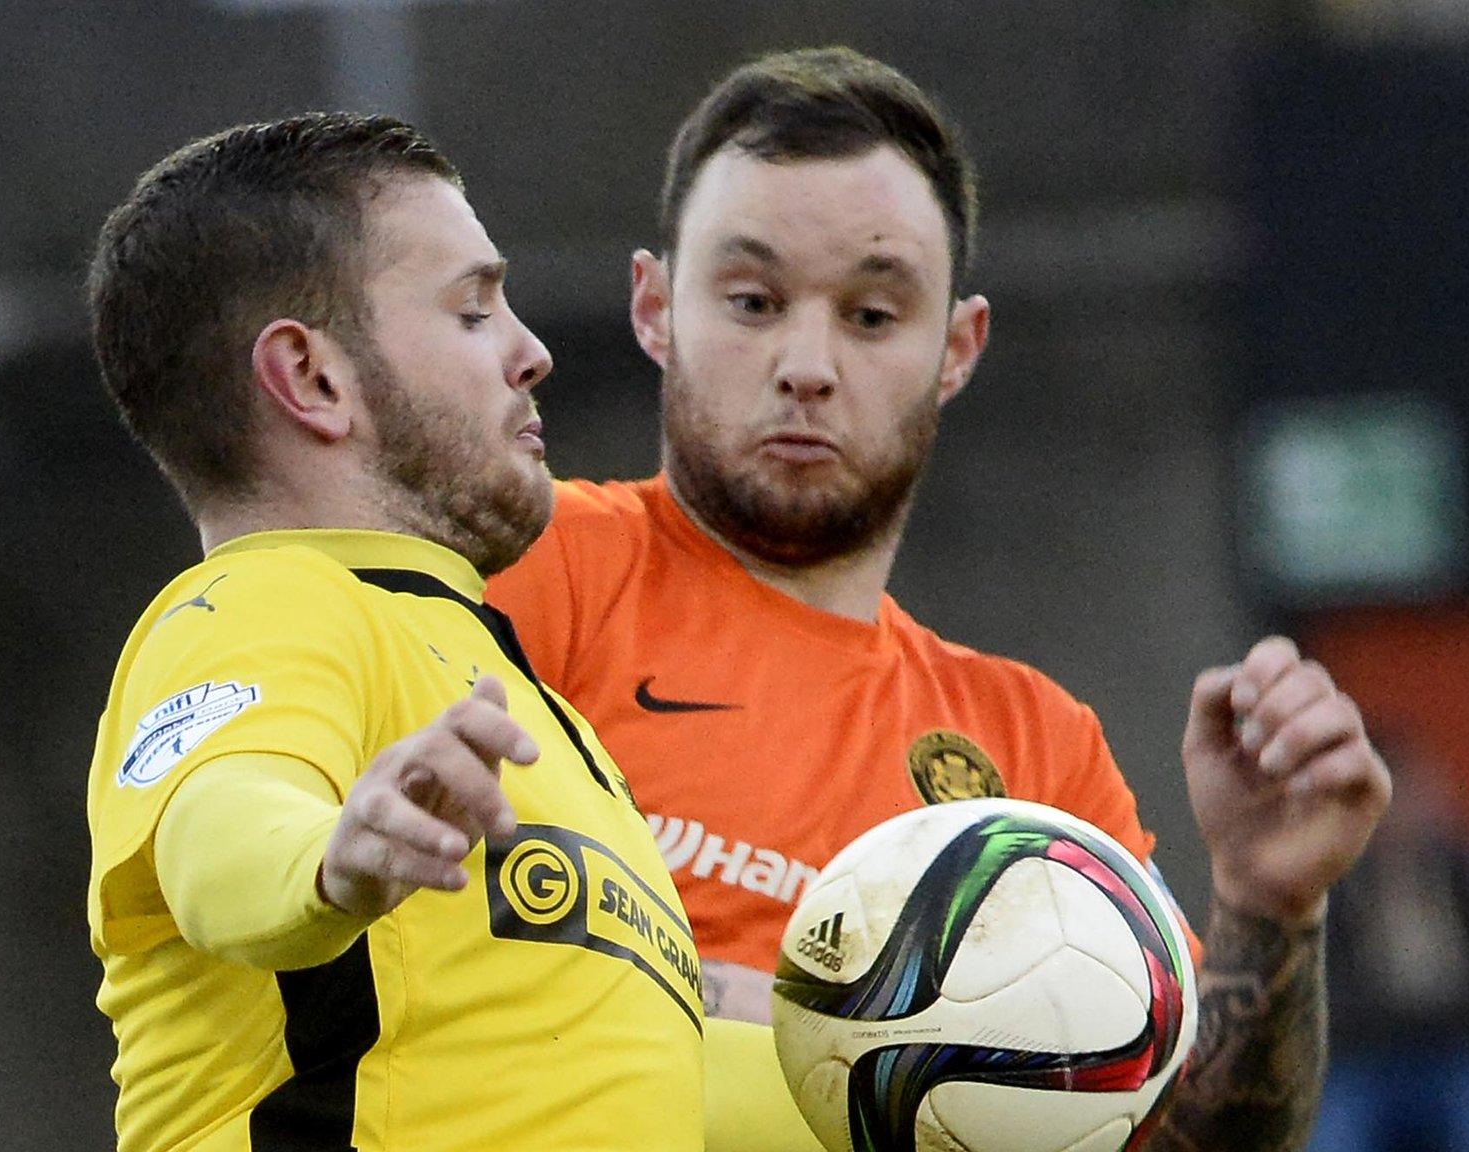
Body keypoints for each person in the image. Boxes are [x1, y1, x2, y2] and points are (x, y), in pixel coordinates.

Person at [487, 47, 1393, 1150]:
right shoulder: (525, 565)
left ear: (955, 348)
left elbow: (1191, 1142)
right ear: (653, 307)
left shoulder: (1034, 753)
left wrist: (1267, 902)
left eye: (871, 314)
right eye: (751, 300)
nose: (806, 364)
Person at [82, 113, 764, 1151]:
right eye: (471, 310)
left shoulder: (505, 703)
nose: (530, 353)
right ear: (312, 378)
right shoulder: (265, 604)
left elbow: (638, 1072)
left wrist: (929, 1071)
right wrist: (326, 859)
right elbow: (216, 823)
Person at [1309, 732, 1469, 1152]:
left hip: (1458, 1058)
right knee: (1332, 1135)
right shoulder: (1334, 889)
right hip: (1362, 1063)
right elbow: (1324, 995)